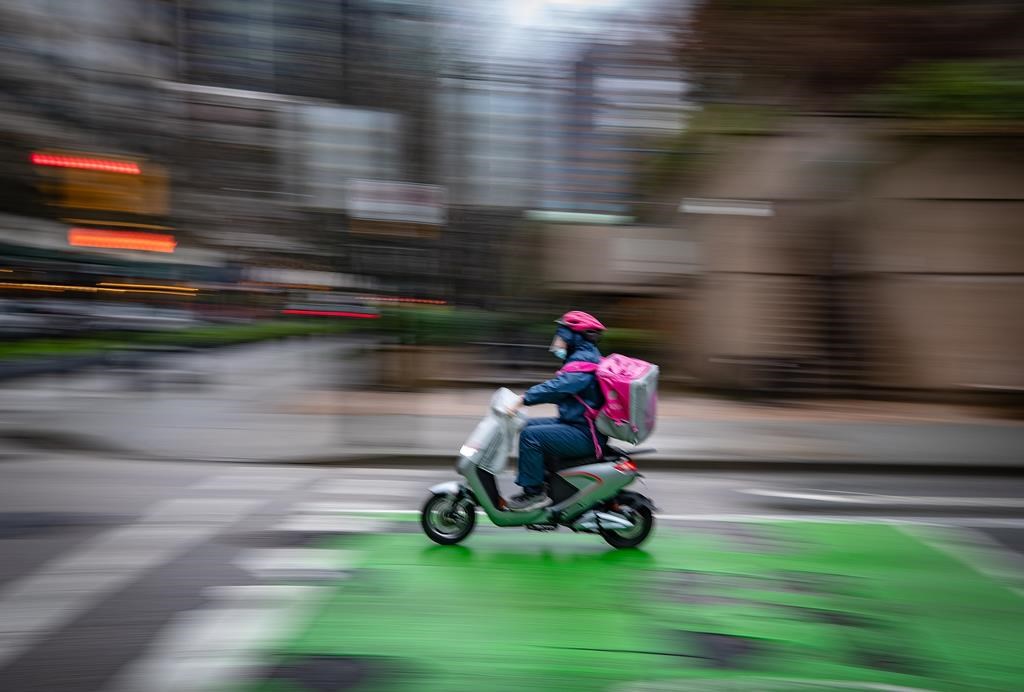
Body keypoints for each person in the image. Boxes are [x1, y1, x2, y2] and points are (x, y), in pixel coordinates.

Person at [505, 311, 607, 511]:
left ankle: (534, 494)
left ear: (573, 337)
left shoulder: (584, 362)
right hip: (577, 424)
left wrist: (524, 399)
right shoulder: (582, 357)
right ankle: (545, 480)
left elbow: (558, 388)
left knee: (530, 436)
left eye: (561, 336)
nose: (557, 341)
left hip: (585, 433)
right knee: (525, 425)